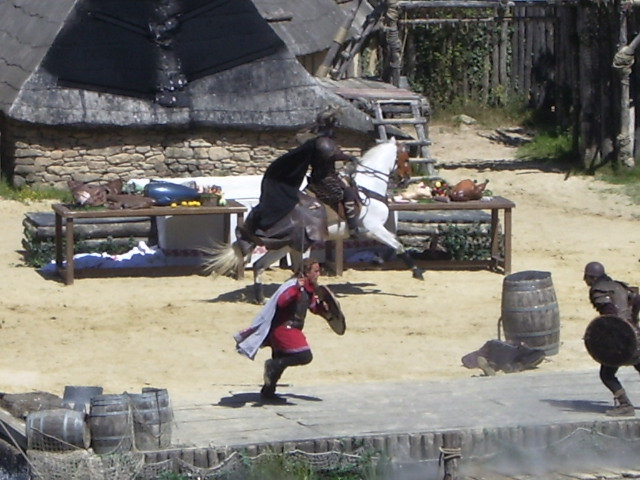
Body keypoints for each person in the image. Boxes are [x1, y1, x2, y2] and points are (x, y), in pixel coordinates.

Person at [233, 259, 329, 401]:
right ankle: (271, 366)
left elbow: (313, 307)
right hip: (283, 329)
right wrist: (296, 288)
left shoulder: (308, 288)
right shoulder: (291, 286)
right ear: (306, 272)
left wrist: (323, 307)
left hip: (290, 329)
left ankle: (268, 392)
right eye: (315, 271)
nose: (318, 274)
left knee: (280, 361)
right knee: (303, 356)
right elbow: (282, 301)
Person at [583, 261, 640, 416]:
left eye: (586, 277)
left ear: (592, 277)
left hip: (620, 340)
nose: (585, 281)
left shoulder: (598, 290)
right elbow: (636, 299)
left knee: (607, 374)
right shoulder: (619, 286)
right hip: (635, 336)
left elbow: (610, 314)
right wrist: (633, 323)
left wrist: (618, 331)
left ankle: (625, 405)